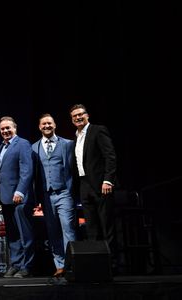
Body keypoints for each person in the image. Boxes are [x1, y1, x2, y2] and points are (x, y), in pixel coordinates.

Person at [69, 104, 118, 266]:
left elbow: (110, 156)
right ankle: (97, 264)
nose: (78, 117)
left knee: (106, 225)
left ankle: (112, 264)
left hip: (101, 184)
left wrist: (108, 179)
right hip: (84, 185)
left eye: (80, 114)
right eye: (74, 116)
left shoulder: (98, 130)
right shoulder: (76, 136)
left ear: (87, 115)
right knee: (91, 226)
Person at [31, 113, 76, 278]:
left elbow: (73, 169)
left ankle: (72, 264)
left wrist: (71, 191)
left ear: (55, 125)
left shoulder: (67, 144)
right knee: (53, 231)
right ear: (39, 127)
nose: (46, 126)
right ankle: (60, 265)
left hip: (64, 193)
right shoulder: (34, 147)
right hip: (46, 196)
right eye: (43, 124)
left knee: (68, 229)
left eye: (49, 123)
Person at [0, 116, 35, 278]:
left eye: (8, 128)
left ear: (15, 128)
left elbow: (27, 170)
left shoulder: (23, 144)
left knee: (24, 233)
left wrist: (20, 191)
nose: (5, 131)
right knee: (12, 234)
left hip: (20, 197)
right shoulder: (0, 147)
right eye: (2, 129)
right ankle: (16, 264)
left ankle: (27, 266)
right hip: (5, 199)